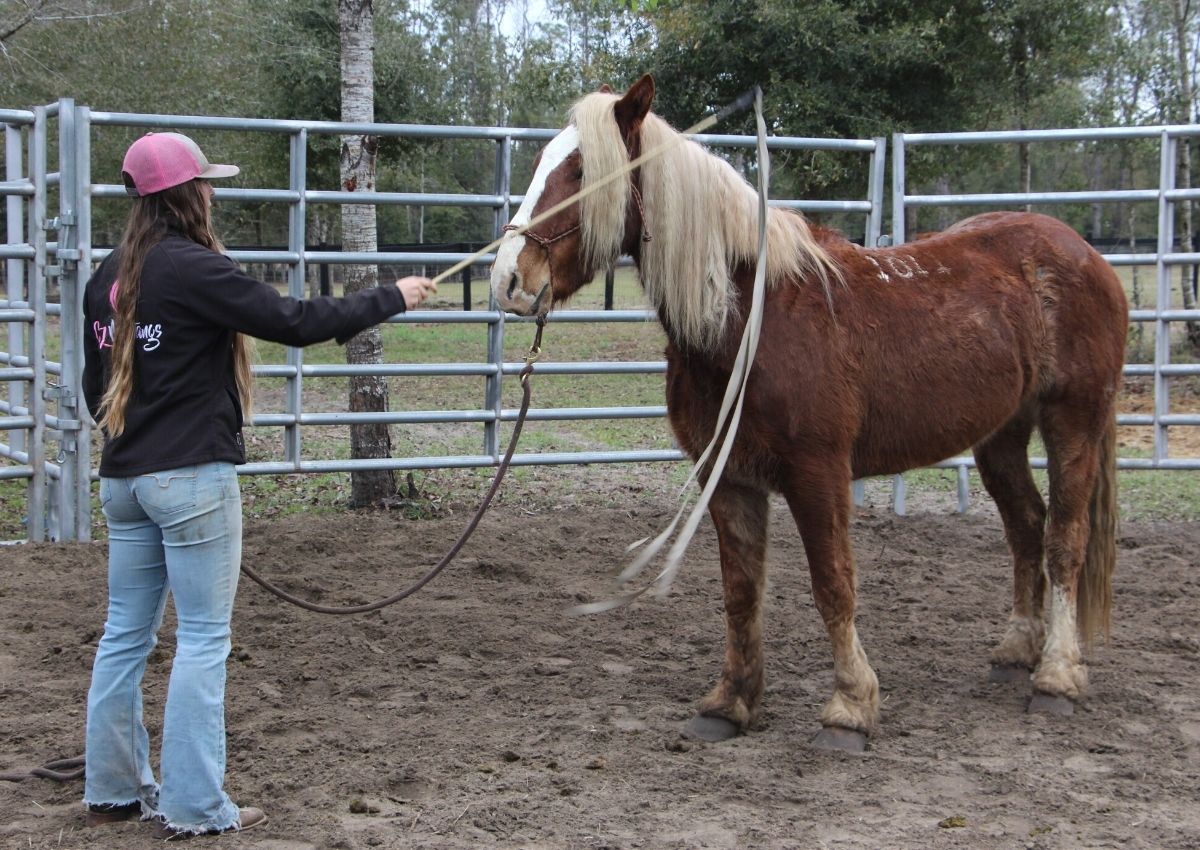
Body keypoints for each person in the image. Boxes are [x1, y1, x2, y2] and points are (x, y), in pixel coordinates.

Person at [79, 131, 436, 839]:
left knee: (125, 635)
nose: (213, 191)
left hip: (124, 481)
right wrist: (388, 297)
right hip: (190, 481)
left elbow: (98, 387)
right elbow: (294, 321)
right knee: (204, 640)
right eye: (206, 182)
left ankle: (114, 789)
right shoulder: (192, 269)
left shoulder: (107, 275)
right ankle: (194, 807)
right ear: (186, 194)